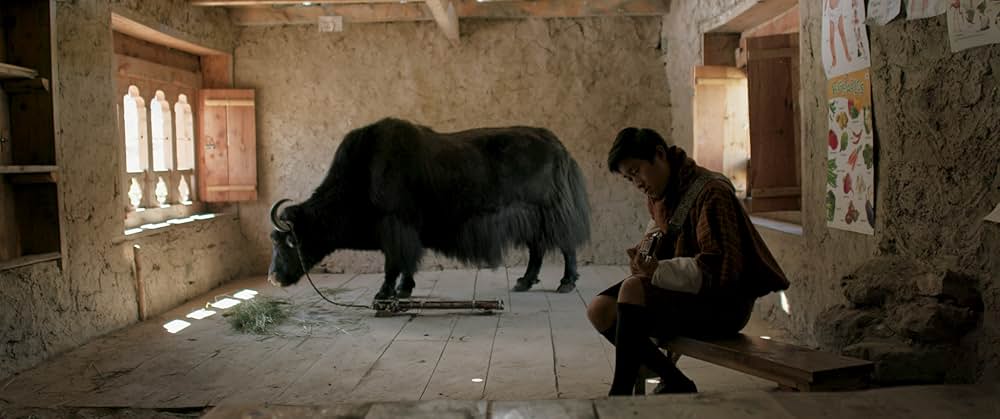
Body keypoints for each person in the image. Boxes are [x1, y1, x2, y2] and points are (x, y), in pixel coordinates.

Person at [588, 127, 790, 396]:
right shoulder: (661, 193)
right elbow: (663, 226)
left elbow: (717, 269)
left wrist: (657, 271)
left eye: (636, 171)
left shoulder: (712, 194)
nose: (636, 183)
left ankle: (620, 395)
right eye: (629, 178)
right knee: (599, 309)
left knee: (633, 290)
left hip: (723, 304)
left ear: (659, 154)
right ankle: (675, 381)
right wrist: (645, 253)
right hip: (685, 293)